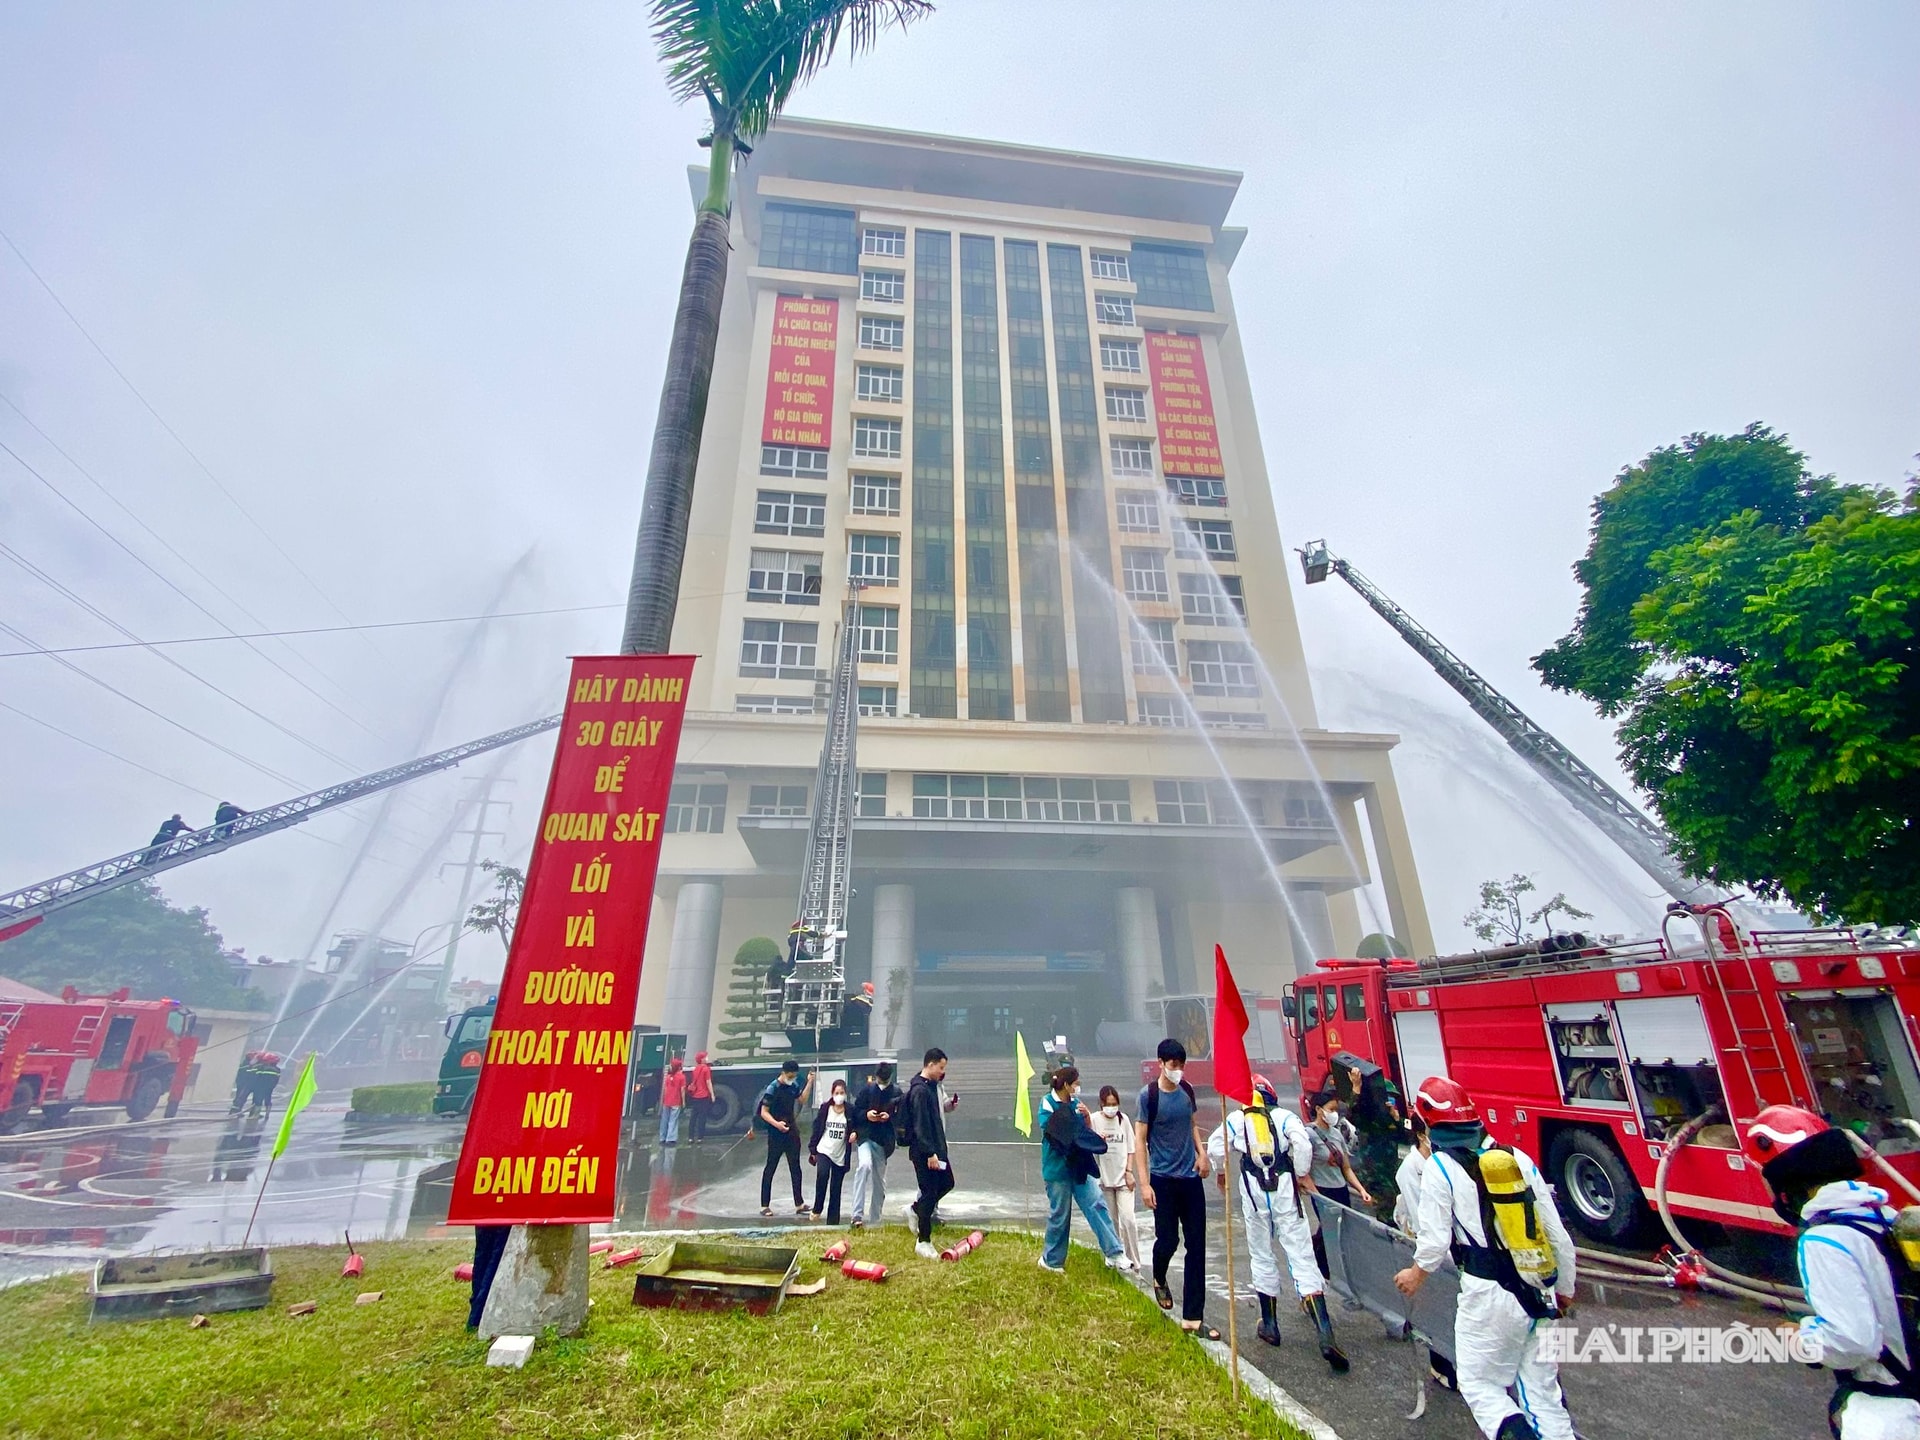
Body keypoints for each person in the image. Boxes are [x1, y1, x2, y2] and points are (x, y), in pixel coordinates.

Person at [1394, 1077, 1576, 1440]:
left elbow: (1434, 1241)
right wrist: (1565, 1287)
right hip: (1539, 1287)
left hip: (1488, 1294)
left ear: (1428, 1123)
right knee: (1542, 1396)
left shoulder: (1440, 1168)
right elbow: (1557, 1235)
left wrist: (1415, 1274)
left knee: (1481, 1386)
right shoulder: (1517, 1158)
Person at [1744, 1103, 1920, 1439]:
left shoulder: (1824, 1240)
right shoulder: (1885, 1216)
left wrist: (1799, 1339)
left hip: (1889, 1415)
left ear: (1785, 1180)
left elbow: (1853, 1341)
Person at [1207, 1073, 1347, 1371]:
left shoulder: (1237, 1119)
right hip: (1284, 1190)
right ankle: (1324, 1332)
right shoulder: (1286, 1117)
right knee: (1301, 1255)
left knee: (1261, 1254)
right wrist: (1300, 1172)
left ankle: (1270, 1325)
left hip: (1253, 1195)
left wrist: (1221, 1170)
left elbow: (1216, 1148)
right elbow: (1304, 1146)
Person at [1135, 1038, 1217, 1340]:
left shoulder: (1187, 1091)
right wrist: (1144, 1184)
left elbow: (1192, 1124)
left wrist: (1202, 1152)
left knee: (1197, 1246)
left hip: (1190, 1179)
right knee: (1168, 1240)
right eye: (1173, 1065)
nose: (1178, 1070)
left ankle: (1193, 1318)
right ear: (1161, 1063)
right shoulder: (1149, 1097)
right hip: (1163, 1179)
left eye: (1181, 1065)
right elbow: (1140, 1141)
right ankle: (1158, 1275)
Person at [1037, 1066, 1130, 1273]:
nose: (1078, 1087)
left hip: (1080, 1167)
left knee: (1096, 1204)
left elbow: (1083, 1132)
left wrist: (1088, 1122)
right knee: (1060, 1215)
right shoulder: (1048, 1103)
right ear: (1067, 1084)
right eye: (1076, 1083)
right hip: (1057, 1170)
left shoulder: (1077, 1104)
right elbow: (1057, 1133)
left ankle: (1114, 1252)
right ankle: (1051, 1261)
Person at [902, 1047, 954, 1259]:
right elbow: (920, 1125)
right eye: (940, 1067)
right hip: (926, 1152)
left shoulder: (932, 1087)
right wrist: (930, 1153)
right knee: (930, 1191)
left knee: (947, 1183)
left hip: (938, 1149)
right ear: (930, 1064)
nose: (943, 1072)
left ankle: (915, 1209)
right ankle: (923, 1240)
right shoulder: (920, 1091)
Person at [1092, 1084, 1142, 1269]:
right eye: (1108, 1104)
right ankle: (1115, 1257)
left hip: (1123, 1179)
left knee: (1128, 1219)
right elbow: (1088, 1141)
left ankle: (1135, 1262)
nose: (1112, 1107)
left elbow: (1131, 1148)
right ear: (1101, 1103)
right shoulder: (1095, 1120)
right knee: (1111, 1221)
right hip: (1104, 1180)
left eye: (1115, 1104)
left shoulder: (1124, 1121)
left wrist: (1129, 1172)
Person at [848, 1061, 902, 1229]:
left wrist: (890, 1116)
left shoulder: (897, 1093)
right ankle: (856, 1214)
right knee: (864, 1166)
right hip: (866, 1137)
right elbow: (855, 1111)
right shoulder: (867, 1090)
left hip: (883, 1141)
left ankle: (875, 1218)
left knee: (879, 1181)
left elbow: (902, 1115)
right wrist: (867, 1115)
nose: (882, 1084)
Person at [757, 1059, 812, 1217]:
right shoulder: (773, 1088)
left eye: (794, 1075)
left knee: (795, 1167)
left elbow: (802, 1099)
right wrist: (776, 1124)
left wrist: (809, 1083)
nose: (792, 1078)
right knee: (771, 1167)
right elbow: (763, 1112)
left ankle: (799, 1203)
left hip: (791, 1130)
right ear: (783, 1072)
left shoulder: (793, 1086)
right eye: (790, 1075)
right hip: (776, 1132)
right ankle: (764, 1205)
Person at [807, 1078, 855, 1224]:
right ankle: (817, 1208)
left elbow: (857, 1125)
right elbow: (817, 1129)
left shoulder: (850, 1111)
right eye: (836, 1092)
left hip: (840, 1155)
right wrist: (813, 1150)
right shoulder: (825, 1109)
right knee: (822, 1175)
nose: (839, 1095)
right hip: (824, 1149)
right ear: (832, 1094)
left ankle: (833, 1221)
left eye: (842, 1092)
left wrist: (855, 1133)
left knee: (836, 1187)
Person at [657, 1055, 686, 1147]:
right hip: (676, 1101)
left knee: (664, 1120)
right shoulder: (681, 1077)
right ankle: (671, 1139)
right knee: (673, 1120)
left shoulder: (668, 1077)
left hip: (667, 1101)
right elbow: (682, 1090)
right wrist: (684, 1101)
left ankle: (662, 1138)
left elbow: (665, 1089)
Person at [686, 1051, 714, 1144]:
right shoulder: (706, 1069)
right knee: (702, 1117)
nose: (707, 1058)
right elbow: (708, 1082)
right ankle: (699, 1138)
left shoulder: (696, 1069)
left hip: (695, 1096)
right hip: (703, 1096)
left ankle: (690, 1137)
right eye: (705, 1057)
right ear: (702, 1059)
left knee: (693, 1117)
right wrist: (712, 1094)